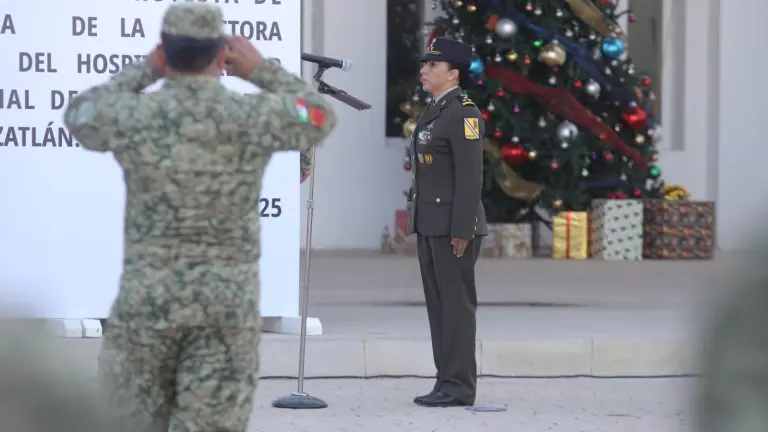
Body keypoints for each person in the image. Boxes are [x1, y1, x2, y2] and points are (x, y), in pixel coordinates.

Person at [63, 3, 337, 431]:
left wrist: (143, 71)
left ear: (164, 54)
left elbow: (79, 114)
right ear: (220, 55)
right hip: (224, 308)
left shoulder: (137, 116)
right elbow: (319, 117)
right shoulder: (250, 117)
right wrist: (262, 71)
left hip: (147, 305)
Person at [407, 37, 488, 408]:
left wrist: (462, 228)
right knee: (439, 307)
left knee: (456, 307)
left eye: (432, 66)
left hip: (453, 226)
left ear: (453, 73)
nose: (424, 70)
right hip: (430, 222)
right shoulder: (435, 110)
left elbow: (471, 177)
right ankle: (445, 379)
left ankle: (459, 386)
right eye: (424, 64)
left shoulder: (464, 113)